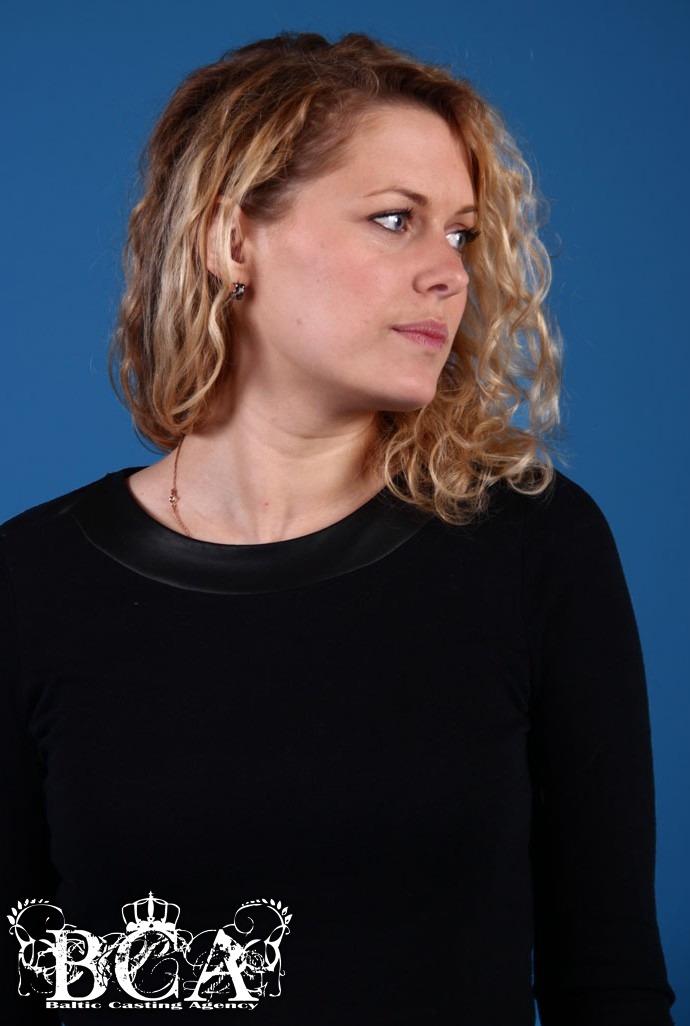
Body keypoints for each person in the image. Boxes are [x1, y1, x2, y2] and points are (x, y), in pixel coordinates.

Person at [1, 31, 675, 1026]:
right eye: (395, 220)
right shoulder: (28, 583)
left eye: (461, 235)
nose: (449, 274)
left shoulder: (534, 546)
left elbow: (608, 982)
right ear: (233, 241)